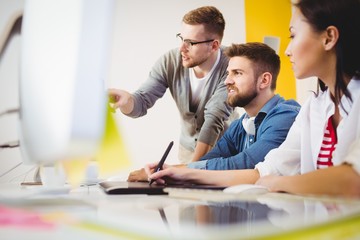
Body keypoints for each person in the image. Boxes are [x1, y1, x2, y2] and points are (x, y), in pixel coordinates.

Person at [146, 0, 360, 198]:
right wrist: (180, 174)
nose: (287, 50)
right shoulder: (313, 108)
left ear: (329, 37)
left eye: (293, 36)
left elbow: (352, 181)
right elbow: (263, 172)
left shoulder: (287, 114)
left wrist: (280, 182)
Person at [109, 6, 234, 166]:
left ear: (214, 46)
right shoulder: (170, 61)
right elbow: (141, 101)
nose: (182, 48)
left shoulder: (233, 65)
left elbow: (215, 117)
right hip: (187, 151)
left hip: (225, 151)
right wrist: (127, 100)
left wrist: (190, 170)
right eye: (181, 38)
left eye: (191, 43)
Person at [185, 42, 300, 171]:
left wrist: (185, 170)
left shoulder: (286, 116)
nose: (227, 81)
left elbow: (247, 163)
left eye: (237, 73)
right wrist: (172, 171)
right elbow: (207, 162)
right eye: (228, 73)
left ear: (264, 80)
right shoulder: (239, 126)